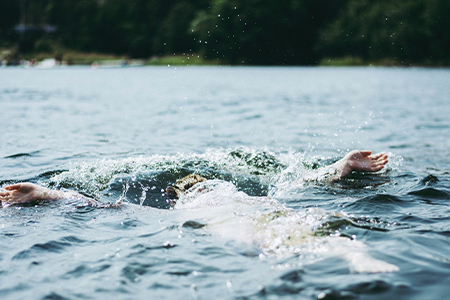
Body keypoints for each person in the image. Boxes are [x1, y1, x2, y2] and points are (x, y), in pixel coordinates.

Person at [0, 150, 388, 206]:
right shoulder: (248, 193)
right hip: (262, 208)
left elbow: (102, 206)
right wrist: (341, 166)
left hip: (230, 220)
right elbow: (305, 184)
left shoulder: (178, 211)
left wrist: (45, 193)